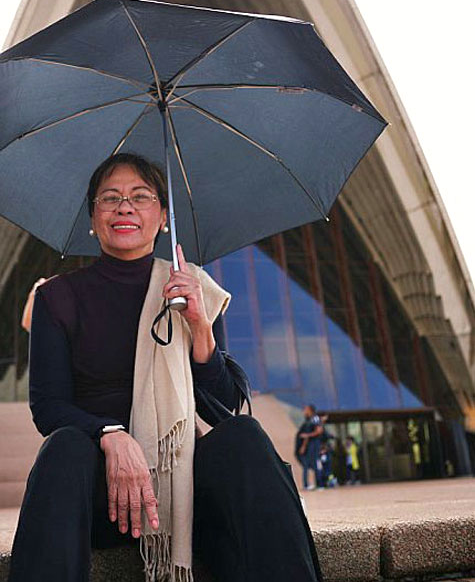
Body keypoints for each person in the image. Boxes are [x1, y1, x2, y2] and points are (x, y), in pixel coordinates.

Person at [8, 152, 322, 582]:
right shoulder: (57, 298)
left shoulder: (189, 288)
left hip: (183, 490)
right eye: (110, 198)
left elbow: (223, 406)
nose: (125, 207)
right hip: (101, 492)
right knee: (62, 448)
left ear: (162, 218)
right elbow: (48, 408)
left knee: (245, 437)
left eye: (141, 196)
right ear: (92, 217)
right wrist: (110, 435)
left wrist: (199, 326)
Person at [295, 404, 323, 491]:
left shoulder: (315, 419)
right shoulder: (308, 420)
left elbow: (319, 431)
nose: (304, 411)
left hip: (314, 445)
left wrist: (307, 435)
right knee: (306, 465)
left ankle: (319, 484)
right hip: (309, 446)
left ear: (310, 410)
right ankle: (306, 485)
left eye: (306, 409)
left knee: (314, 464)